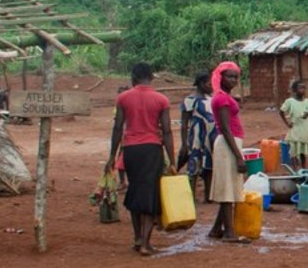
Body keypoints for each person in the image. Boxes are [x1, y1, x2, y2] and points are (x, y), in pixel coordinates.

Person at [106, 63, 175, 256]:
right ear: (151, 77)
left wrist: (112, 156)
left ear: (133, 77)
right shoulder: (161, 99)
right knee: (150, 195)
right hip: (152, 150)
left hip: (131, 150)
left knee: (135, 191)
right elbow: (167, 132)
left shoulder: (123, 98)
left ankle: (137, 238)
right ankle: (145, 243)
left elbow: (118, 128)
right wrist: (172, 159)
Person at [207, 61, 250, 243]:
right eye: (229, 76)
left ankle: (217, 229)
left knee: (229, 186)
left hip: (229, 143)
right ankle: (229, 233)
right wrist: (239, 157)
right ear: (220, 77)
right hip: (227, 143)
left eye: (235, 77)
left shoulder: (223, 97)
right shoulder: (222, 98)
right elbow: (225, 128)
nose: (233, 80)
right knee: (228, 189)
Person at [179, 71, 216, 204]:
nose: (212, 86)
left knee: (209, 166)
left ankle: (208, 195)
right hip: (196, 139)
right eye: (209, 84)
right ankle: (191, 195)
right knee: (194, 166)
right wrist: (184, 144)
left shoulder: (211, 99)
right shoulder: (190, 100)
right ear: (201, 84)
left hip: (210, 139)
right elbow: (184, 125)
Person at [279, 79, 308, 170]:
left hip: (305, 129)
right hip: (295, 129)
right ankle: (295, 169)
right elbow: (281, 111)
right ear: (295, 90)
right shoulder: (290, 102)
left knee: (303, 150)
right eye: (300, 88)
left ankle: (303, 168)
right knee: (294, 150)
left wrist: (307, 114)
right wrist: (287, 123)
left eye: (304, 88)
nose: (302, 90)